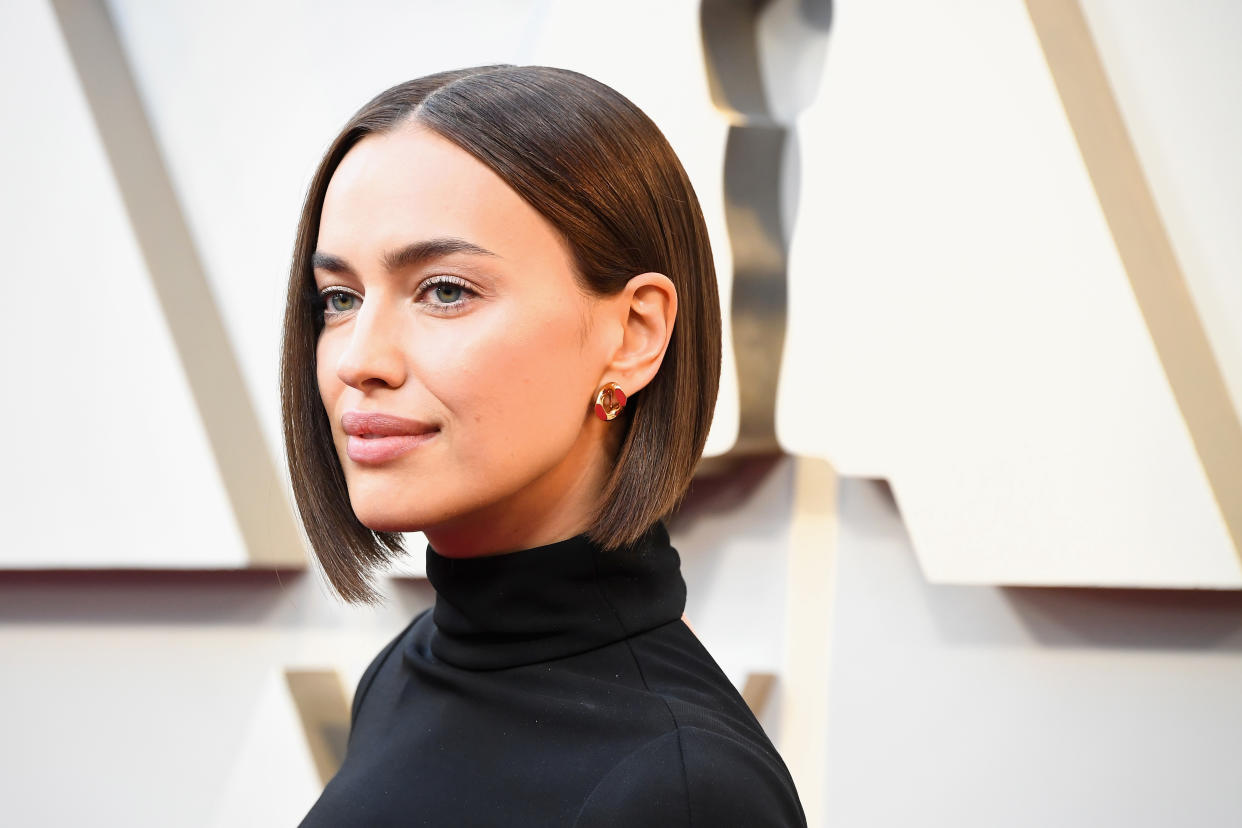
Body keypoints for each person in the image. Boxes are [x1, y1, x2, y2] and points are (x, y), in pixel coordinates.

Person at [281, 63, 807, 826]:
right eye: (340, 298)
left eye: (446, 290)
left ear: (633, 335)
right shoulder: (404, 668)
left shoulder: (684, 788)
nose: (359, 359)